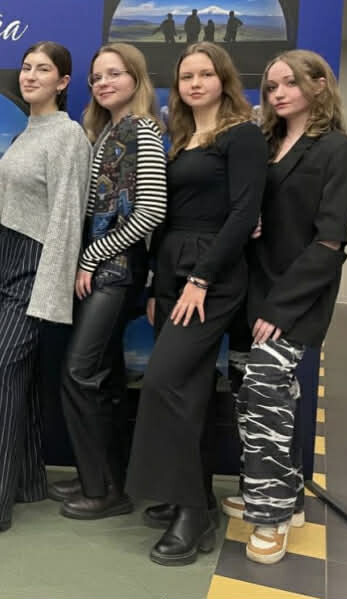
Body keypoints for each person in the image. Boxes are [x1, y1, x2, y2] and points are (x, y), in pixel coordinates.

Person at [125, 42, 266, 566]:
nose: (196, 83)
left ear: (224, 80)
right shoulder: (181, 140)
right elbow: (165, 217)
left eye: (206, 74)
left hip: (212, 274)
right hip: (171, 271)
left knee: (164, 381)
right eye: (187, 76)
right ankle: (194, 496)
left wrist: (202, 279)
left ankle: (192, 514)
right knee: (190, 391)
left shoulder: (242, 135)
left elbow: (243, 213)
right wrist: (155, 287)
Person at [0, 42, 92, 546]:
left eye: (43, 69)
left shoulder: (68, 135)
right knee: (18, 376)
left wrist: (51, 293)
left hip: (36, 261)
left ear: (63, 81)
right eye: (26, 68)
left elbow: (68, 217)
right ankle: (28, 480)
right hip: (6, 256)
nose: (30, 76)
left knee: (2, 374)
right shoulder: (29, 132)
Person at [230, 50, 347, 564]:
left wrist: (281, 308)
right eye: (271, 86)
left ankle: (271, 516)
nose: (278, 93)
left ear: (319, 85)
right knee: (257, 397)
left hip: (297, 297)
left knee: (265, 390)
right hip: (251, 288)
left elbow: (330, 242)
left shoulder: (339, 150)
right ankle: (282, 494)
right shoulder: (263, 144)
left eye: (290, 83)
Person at [50, 43, 167, 519]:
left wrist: (92, 257)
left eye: (113, 74)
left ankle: (104, 491)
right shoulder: (108, 132)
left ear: (136, 79)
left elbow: (151, 210)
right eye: (96, 77)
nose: (102, 83)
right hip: (104, 270)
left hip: (117, 272)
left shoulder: (142, 129)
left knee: (79, 373)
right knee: (105, 377)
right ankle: (102, 477)